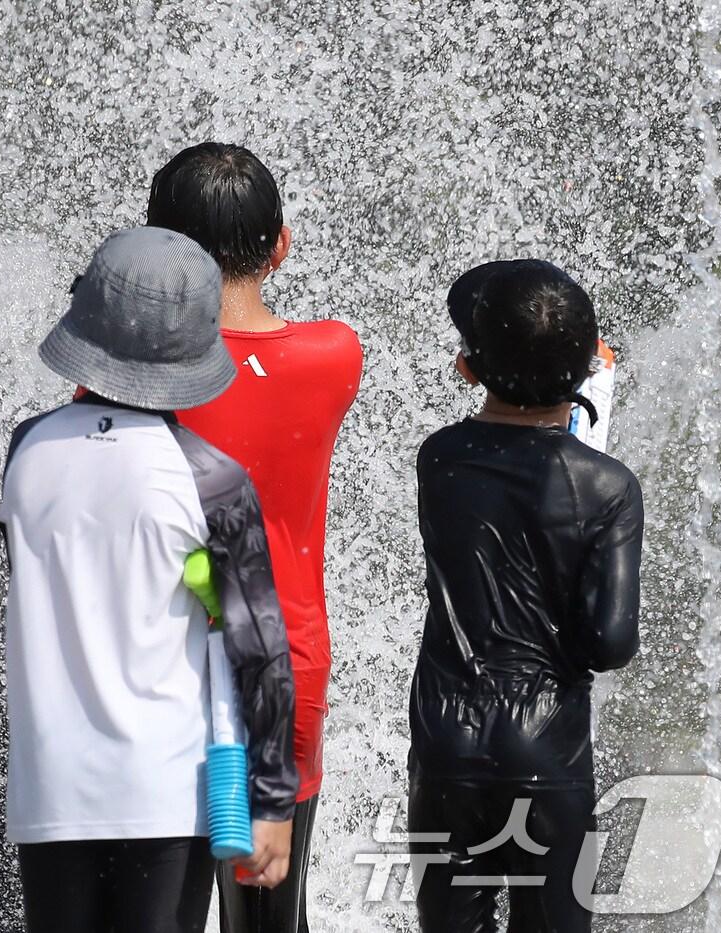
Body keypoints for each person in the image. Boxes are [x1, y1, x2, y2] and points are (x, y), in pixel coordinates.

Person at [0, 227, 298, 933]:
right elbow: (258, 644)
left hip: (50, 788)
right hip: (166, 792)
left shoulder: (25, 449)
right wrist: (275, 798)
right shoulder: (209, 478)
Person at [150, 141, 362, 933]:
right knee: (272, 919)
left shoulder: (132, 383)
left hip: (169, 663)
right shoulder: (334, 355)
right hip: (289, 667)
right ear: (281, 243)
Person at [408, 260, 643, 932]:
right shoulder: (609, 487)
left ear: (467, 369)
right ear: (584, 372)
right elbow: (611, 642)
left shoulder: (440, 459)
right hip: (547, 747)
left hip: (446, 737)